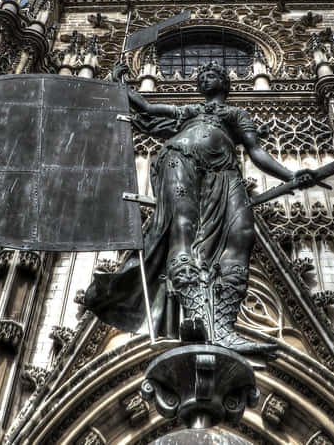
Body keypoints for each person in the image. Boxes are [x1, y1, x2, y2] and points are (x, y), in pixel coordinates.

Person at [84, 61, 315, 355]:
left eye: (213, 74)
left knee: (242, 233)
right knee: (182, 227)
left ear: (226, 83)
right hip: (180, 158)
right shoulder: (194, 111)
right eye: (202, 75)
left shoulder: (236, 114)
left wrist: (292, 176)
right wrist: (121, 86)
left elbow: (257, 151)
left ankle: (222, 326)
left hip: (223, 171)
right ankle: (197, 315)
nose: (206, 79)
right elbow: (149, 109)